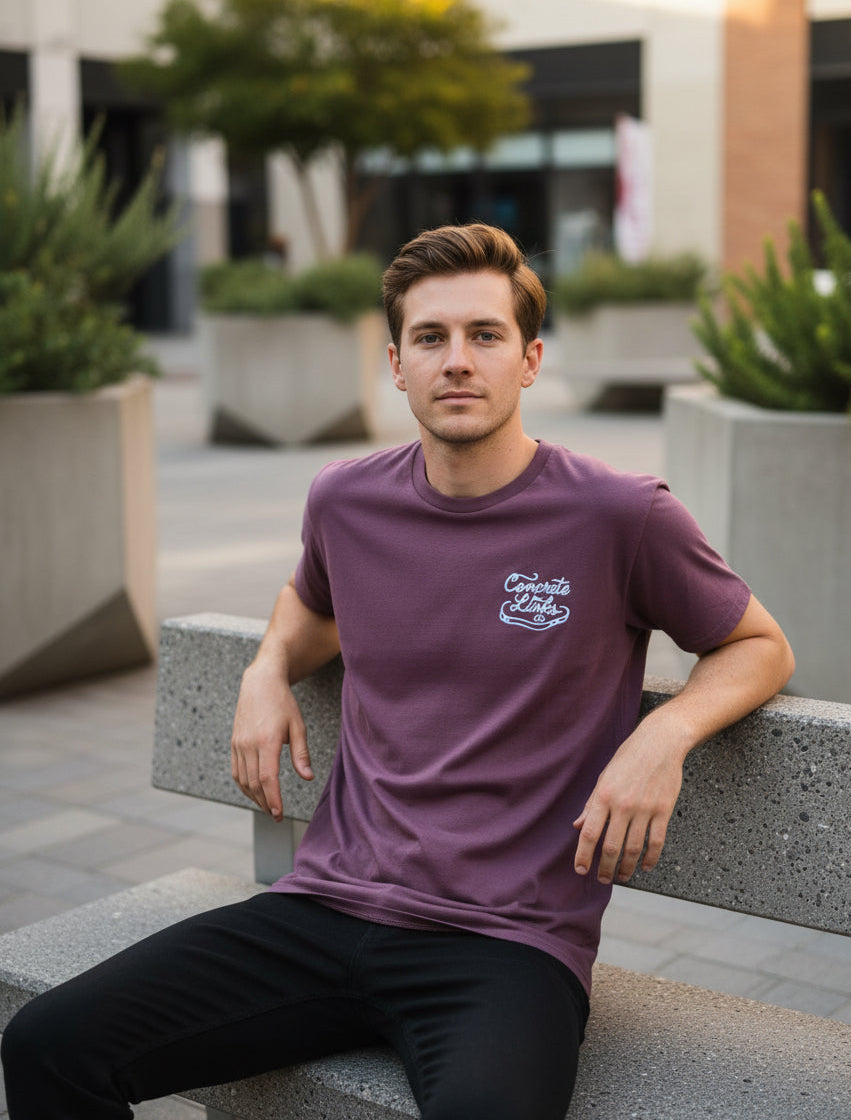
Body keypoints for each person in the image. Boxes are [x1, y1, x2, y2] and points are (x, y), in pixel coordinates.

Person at [1, 223, 794, 1120]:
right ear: (396, 363)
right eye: (432, 338)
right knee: (47, 1045)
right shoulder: (347, 498)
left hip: (506, 945)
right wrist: (267, 670)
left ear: (530, 361)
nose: (458, 360)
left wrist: (666, 733)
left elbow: (759, 644)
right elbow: (311, 602)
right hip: (323, 907)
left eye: (485, 336)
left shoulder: (621, 515)